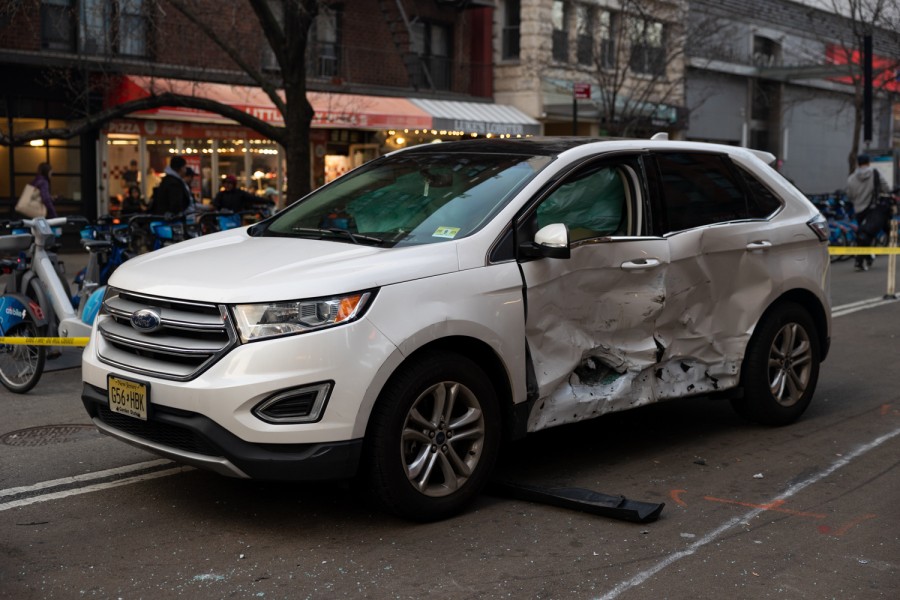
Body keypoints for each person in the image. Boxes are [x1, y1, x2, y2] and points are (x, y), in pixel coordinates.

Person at [846, 154, 890, 272]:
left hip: (859, 210)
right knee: (867, 235)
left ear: (858, 164)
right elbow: (886, 187)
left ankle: (865, 257)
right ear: (868, 162)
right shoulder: (874, 173)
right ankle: (862, 259)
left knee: (862, 234)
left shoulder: (851, 178)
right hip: (872, 209)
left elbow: (849, 195)